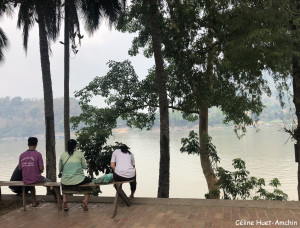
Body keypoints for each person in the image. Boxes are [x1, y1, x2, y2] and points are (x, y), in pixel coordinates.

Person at [59, 139, 92, 211]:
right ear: (75, 146)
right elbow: (84, 166)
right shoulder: (80, 154)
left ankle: (64, 200)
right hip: (78, 179)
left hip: (66, 180)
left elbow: (60, 169)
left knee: (64, 183)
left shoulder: (63, 155)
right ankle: (85, 201)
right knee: (90, 182)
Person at [18, 137, 52, 207]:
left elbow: (19, 168)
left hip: (26, 180)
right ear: (36, 144)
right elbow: (41, 168)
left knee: (31, 184)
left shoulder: (22, 155)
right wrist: (40, 170)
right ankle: (57, 198)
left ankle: (34, 202)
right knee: (52, 183)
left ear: (28, 144)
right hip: (36, 179)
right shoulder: (38, 154)